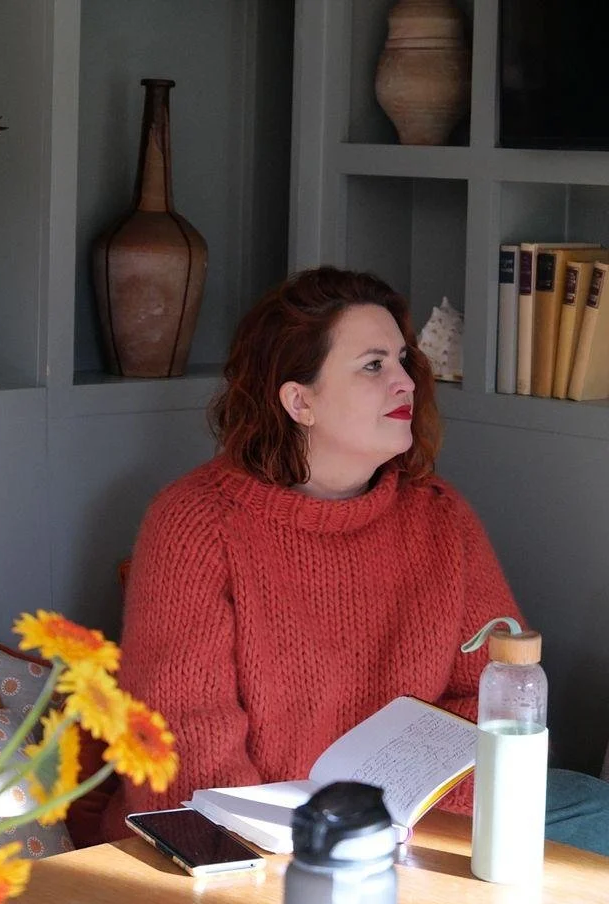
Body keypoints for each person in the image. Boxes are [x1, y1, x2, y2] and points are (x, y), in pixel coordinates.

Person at [67, 266, 609, 855]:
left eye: (403, 361)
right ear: (300, 400)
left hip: (411, 824)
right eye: (374, 365)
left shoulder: (440, 518)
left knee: (593, 809)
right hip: (252, 839)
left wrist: (404, 814)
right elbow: (184, 740)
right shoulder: (196, 523)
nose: (406, 382)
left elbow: (496, 702)